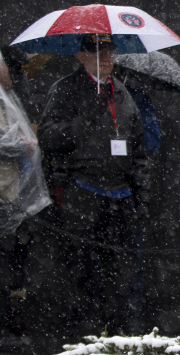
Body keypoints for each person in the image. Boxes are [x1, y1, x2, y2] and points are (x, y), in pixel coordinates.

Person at [37, 33, 150, 337]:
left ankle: (117, 337)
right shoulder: (66, 89)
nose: (106, 59)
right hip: (82, 193)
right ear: (81, 56)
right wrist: (83, 120)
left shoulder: (123, 93)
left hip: (121, 196)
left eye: (110, 53)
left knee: (121, 277)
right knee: (79, 274)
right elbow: (47, 137)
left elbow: (139, 149)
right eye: (97, 53)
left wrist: (141, 195)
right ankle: (79, 340)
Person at [0, 55, 49, 335]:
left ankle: (14, 320)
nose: (15, 74)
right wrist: (22, 146)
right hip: (4, 190)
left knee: (16, 256)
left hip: (15, 191)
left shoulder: (12, 97)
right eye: (10, 68)